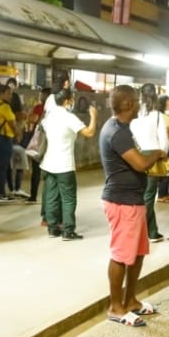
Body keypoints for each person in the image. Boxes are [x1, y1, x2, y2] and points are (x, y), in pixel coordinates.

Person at [99, 85, 164, 327]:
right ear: (127, 105)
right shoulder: (117, 131)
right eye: (136, 102)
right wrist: (156, 155)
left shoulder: (122, 129)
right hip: (121, 201)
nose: (139, 105)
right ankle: (116, 308)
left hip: (132, 200)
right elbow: (139, 164)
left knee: (136, 254)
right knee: (121, 255)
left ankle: (131, 301)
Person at [41, 88, 97, 240]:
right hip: (64, 164)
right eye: (71, 99)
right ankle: (68, 230)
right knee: (68, 198)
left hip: (48, 163)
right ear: (66, 101)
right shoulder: (68, 117)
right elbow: (89, 132)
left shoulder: (49, 117)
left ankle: (52, 228)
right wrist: (93, 116)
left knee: (52, 197)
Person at [130, 85, 169, 242]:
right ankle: (145, 232)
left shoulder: (133, 114)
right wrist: (162, 154)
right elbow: (164, 142)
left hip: (133, 154)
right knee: (148, 197)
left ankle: (151, 231)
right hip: (152, 155)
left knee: (136, 195)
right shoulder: (158, 116)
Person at [0, 84, 18, 202]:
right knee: (3, 167)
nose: (10, 96)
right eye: (8, 93)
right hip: (5, 139)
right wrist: (17, 134)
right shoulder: (5, 106)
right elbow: (12, 123)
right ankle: (1, 193)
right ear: (1, 94)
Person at [156, 94, 169, 203]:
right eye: (167, 105)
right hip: (166, 147)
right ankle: (161, 195)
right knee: (165, 171)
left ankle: (166, 193)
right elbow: (165, 134)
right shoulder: (161, 117)